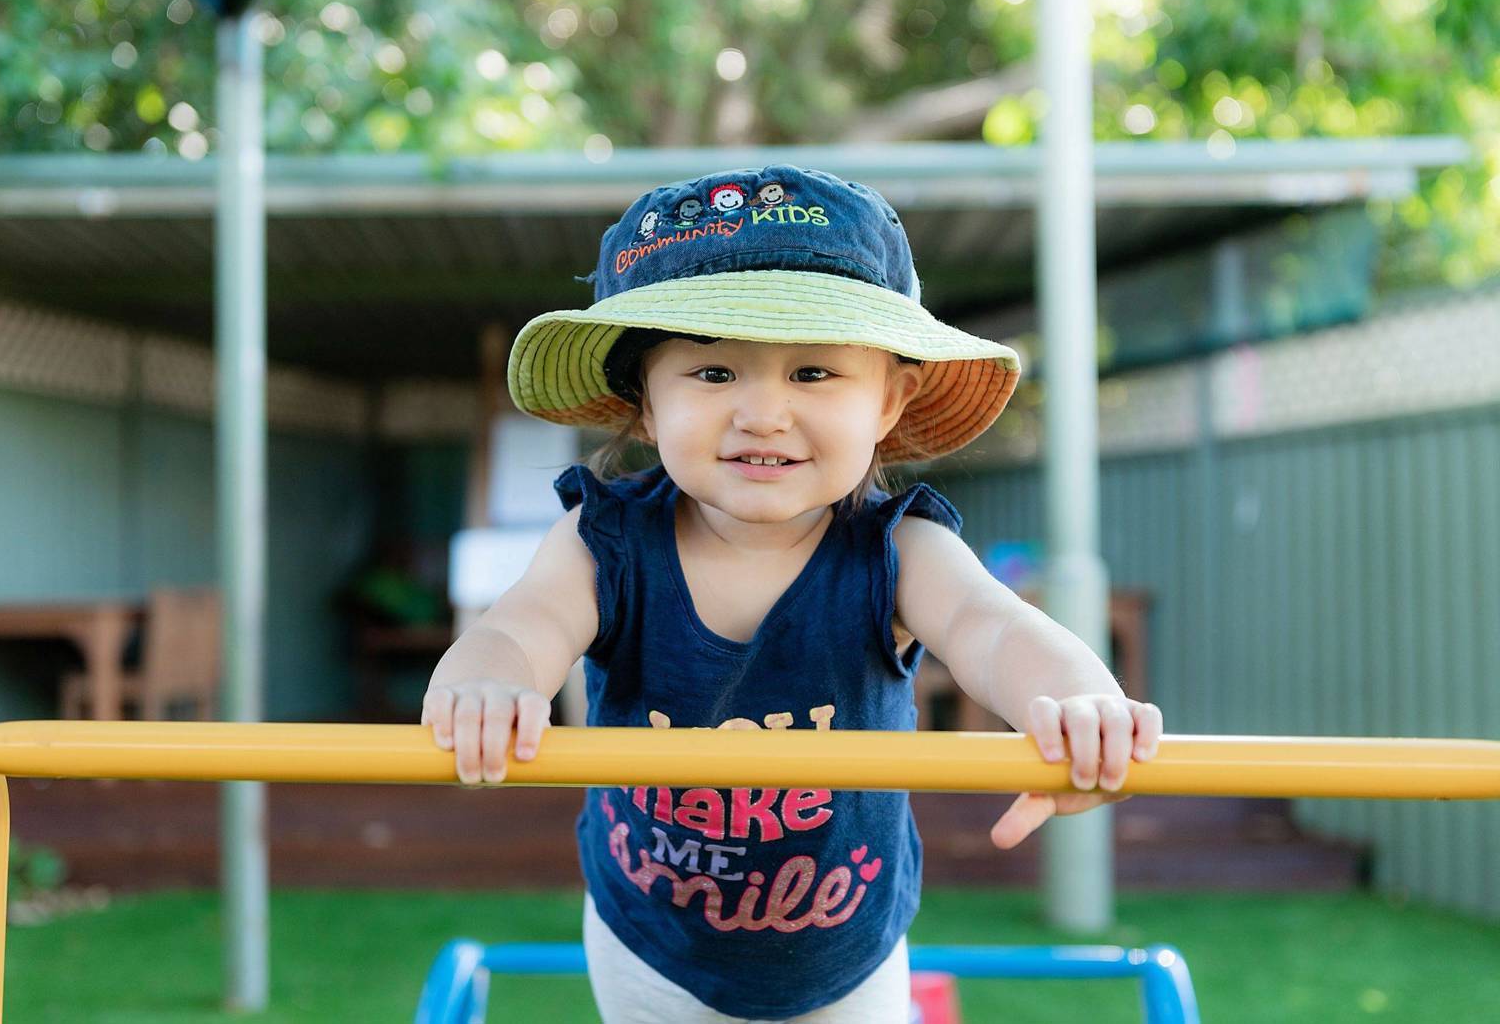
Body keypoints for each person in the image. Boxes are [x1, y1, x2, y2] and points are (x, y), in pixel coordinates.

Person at [422, 164, 1163, 1023]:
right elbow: (520, 628)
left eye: (813, 373)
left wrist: (1077, 697)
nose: (763, 413)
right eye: (713, 373)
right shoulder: (604, 541)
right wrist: (484, 681)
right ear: (646, 404)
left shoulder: (900, 549)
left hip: (844, 949)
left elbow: (991, 626)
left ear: (889, 399)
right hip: (648, 939)